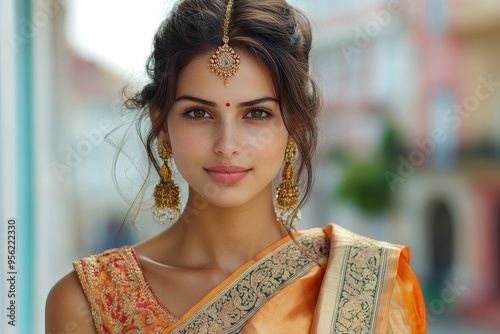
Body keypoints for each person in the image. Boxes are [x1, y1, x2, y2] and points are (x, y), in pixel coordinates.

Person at [45, 0, 426, 332]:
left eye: (256, 113)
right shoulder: (88, 302)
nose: (227, 145)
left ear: (292, 125)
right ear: (161, 124)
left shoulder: (364, 284)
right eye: (198, 113)